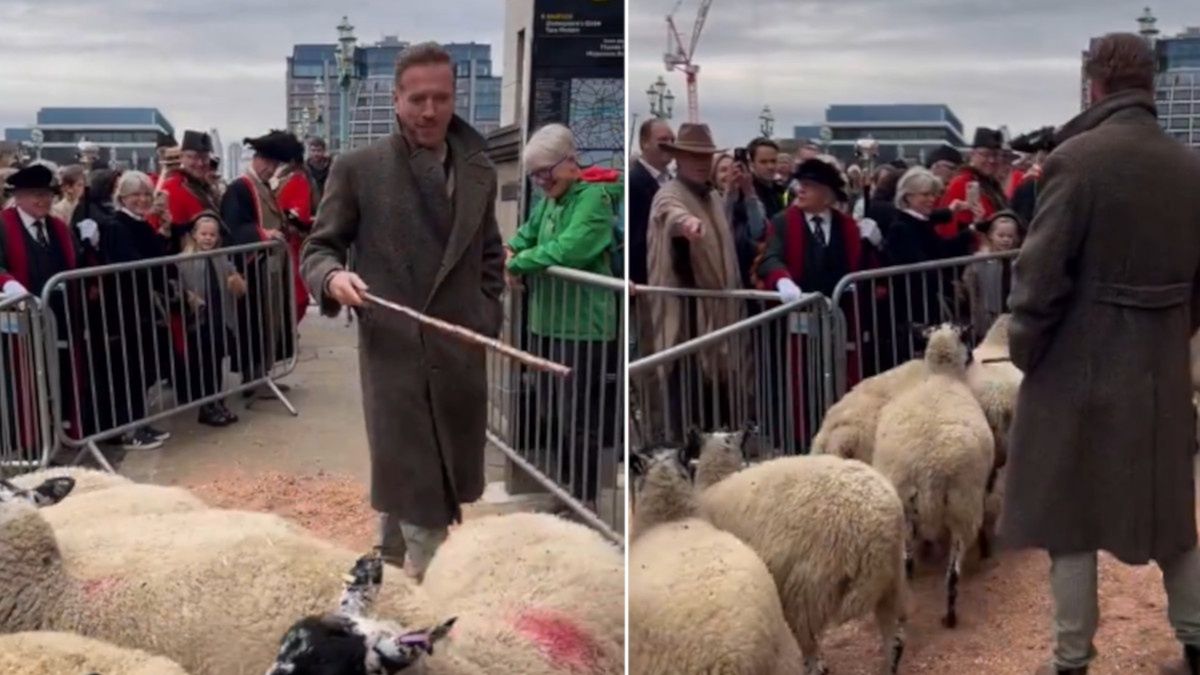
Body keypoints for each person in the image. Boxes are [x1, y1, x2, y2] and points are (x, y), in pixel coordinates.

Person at [997, 33, 1200, 675]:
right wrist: (1169, 333)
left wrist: (1028, 349)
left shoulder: (1077, 160)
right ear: (1150, 84)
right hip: (1161, 367)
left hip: (1076, 366)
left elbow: (1040, 276)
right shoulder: (1190, 167)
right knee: (1172, 514)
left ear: (1095, 85)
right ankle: (1197, 639)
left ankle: (1071, 658)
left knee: (1071, 516)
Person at [301, 41, 505, 580]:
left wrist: (484, 313)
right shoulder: (359, 169)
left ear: (456, 96)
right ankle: (439, 595)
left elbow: (490, 253)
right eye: (417, 99)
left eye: (441, 97)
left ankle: (385, 571)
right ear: (396, 100)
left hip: (458, 353)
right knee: (420, 492)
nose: (430, 111)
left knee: (420, 478)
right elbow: (318, 249)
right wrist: (333, 278)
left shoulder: (479, 169)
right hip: (396, 357)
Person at [505, 123, 619, 512]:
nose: (540, 182)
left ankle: (584, 495)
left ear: (570, 163)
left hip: (583, 328)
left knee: (578, 416)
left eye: (545, 172)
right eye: (534, 175)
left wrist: (518, 262)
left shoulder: (594, 198)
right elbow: (527, 234)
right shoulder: (551, 201)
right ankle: (568, 487)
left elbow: (571, 249)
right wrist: (511, 250)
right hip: (547, 323)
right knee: (553, 411)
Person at [646, 123, 744, 439]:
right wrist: (686, 223)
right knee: (685, 396)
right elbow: (670, 213)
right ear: (678, 158)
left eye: (705, 156)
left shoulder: (712, 196)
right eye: (692, 156)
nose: (701, 162)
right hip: (685, 317)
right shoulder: (670, 193)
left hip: (716, 314)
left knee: (717, 396)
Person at [0, 165, 87, 454]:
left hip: (60, 318)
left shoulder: (58, 228)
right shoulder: (3, 225)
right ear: (18, 196)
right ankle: (30, 446)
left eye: (48, 194)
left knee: (58, 375)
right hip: (18, 323)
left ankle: (60, 433)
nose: (43, 200)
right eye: (36, 194)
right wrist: (10, 285)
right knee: (25, 381)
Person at [84, 170, 173, 450]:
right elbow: (135, 265)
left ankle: (138, 423)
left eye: (146, 194)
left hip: (139, 306)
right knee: (128, 370)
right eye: (135, 194)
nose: (142, 199)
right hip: (123, 308)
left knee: (141, 368)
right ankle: (127, 429)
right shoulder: (117, 226)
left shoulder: (139, 224)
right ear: (122, 197)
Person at [222, 130, 294, 399]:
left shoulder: (264, 187)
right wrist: (263, 234)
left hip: (270, 266)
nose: (271, 169)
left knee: (270, 321)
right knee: (255, 323)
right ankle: (252, 379)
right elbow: (232, 227)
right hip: (253, 267)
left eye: (275, 164)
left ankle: (264, 373)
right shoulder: (239, 188)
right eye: (268, 162)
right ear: (257, 158)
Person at [175, 212, 245, 427]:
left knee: (217, 363)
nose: (208, 238)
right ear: (194, 235)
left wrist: (236, 281)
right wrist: (188, 297)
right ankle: (205, 407)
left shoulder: (221, 257)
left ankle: (217, 402)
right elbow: (177, 287)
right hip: (199, 322)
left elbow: (237, 281)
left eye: (212, 235)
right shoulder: (183, 261)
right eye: (204, 234)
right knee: (203, 365)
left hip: (221, 318)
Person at [936, 127, 1009, 241]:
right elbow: (949, 229)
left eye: (995, 155)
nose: (991, 160)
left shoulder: (991, 184)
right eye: (985, 154)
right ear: (972, 154)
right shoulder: (962, 183)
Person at [273, 136, 315, 326]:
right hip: (283, 243)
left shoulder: (298, 179)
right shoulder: (286, 177)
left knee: (296, 292)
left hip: (290, 243)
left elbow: (300, 215)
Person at [961, 210, 1022, 338]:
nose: (1006, 240)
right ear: (990, 235)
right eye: (1001, 235)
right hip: (988, 318)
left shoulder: (1019, 260)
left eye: (1010, 236)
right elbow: (969, 285)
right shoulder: (979, 261)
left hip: (1013, 316)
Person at [629, 118, 674, 286]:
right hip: (644, 281)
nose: (670, 144)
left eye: (672, 140)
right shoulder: (633, 183)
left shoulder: (674, 182)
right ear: (644, 143)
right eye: (663, 140)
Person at [161, 130, 220, 252]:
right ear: (182, 157)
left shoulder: (207, 187)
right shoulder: (172, 187)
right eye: (193, 157)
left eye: (204, 157)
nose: (200, 163)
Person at [747, 138, 786, 219]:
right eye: (763, 162)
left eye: (773, 161)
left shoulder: (783, 192)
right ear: (751, 163)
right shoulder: (745, 194)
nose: (770, 167)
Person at [305, 137, 331, 209]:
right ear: (309, 151)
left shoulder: (332, 166)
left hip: (329, 202)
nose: (316, 154)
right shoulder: (305, 168)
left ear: (324, 151)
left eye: (319, 150)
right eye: (313, 150)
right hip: (312, 205)